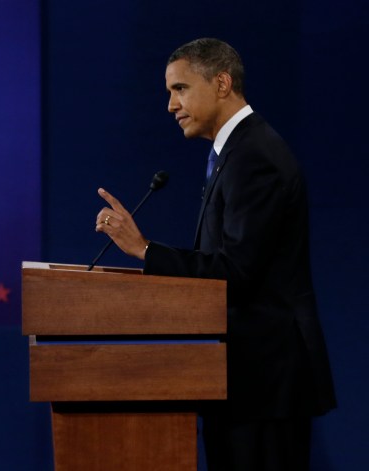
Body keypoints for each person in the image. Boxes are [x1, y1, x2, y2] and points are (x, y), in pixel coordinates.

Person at [93, 38, 335, 470]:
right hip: (245, 382)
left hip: (265, 385)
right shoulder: (234, 153)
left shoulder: (254, 156)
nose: (171, 105)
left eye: (180, 89)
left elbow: (235, 272)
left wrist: (145, 250)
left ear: (222, 83)